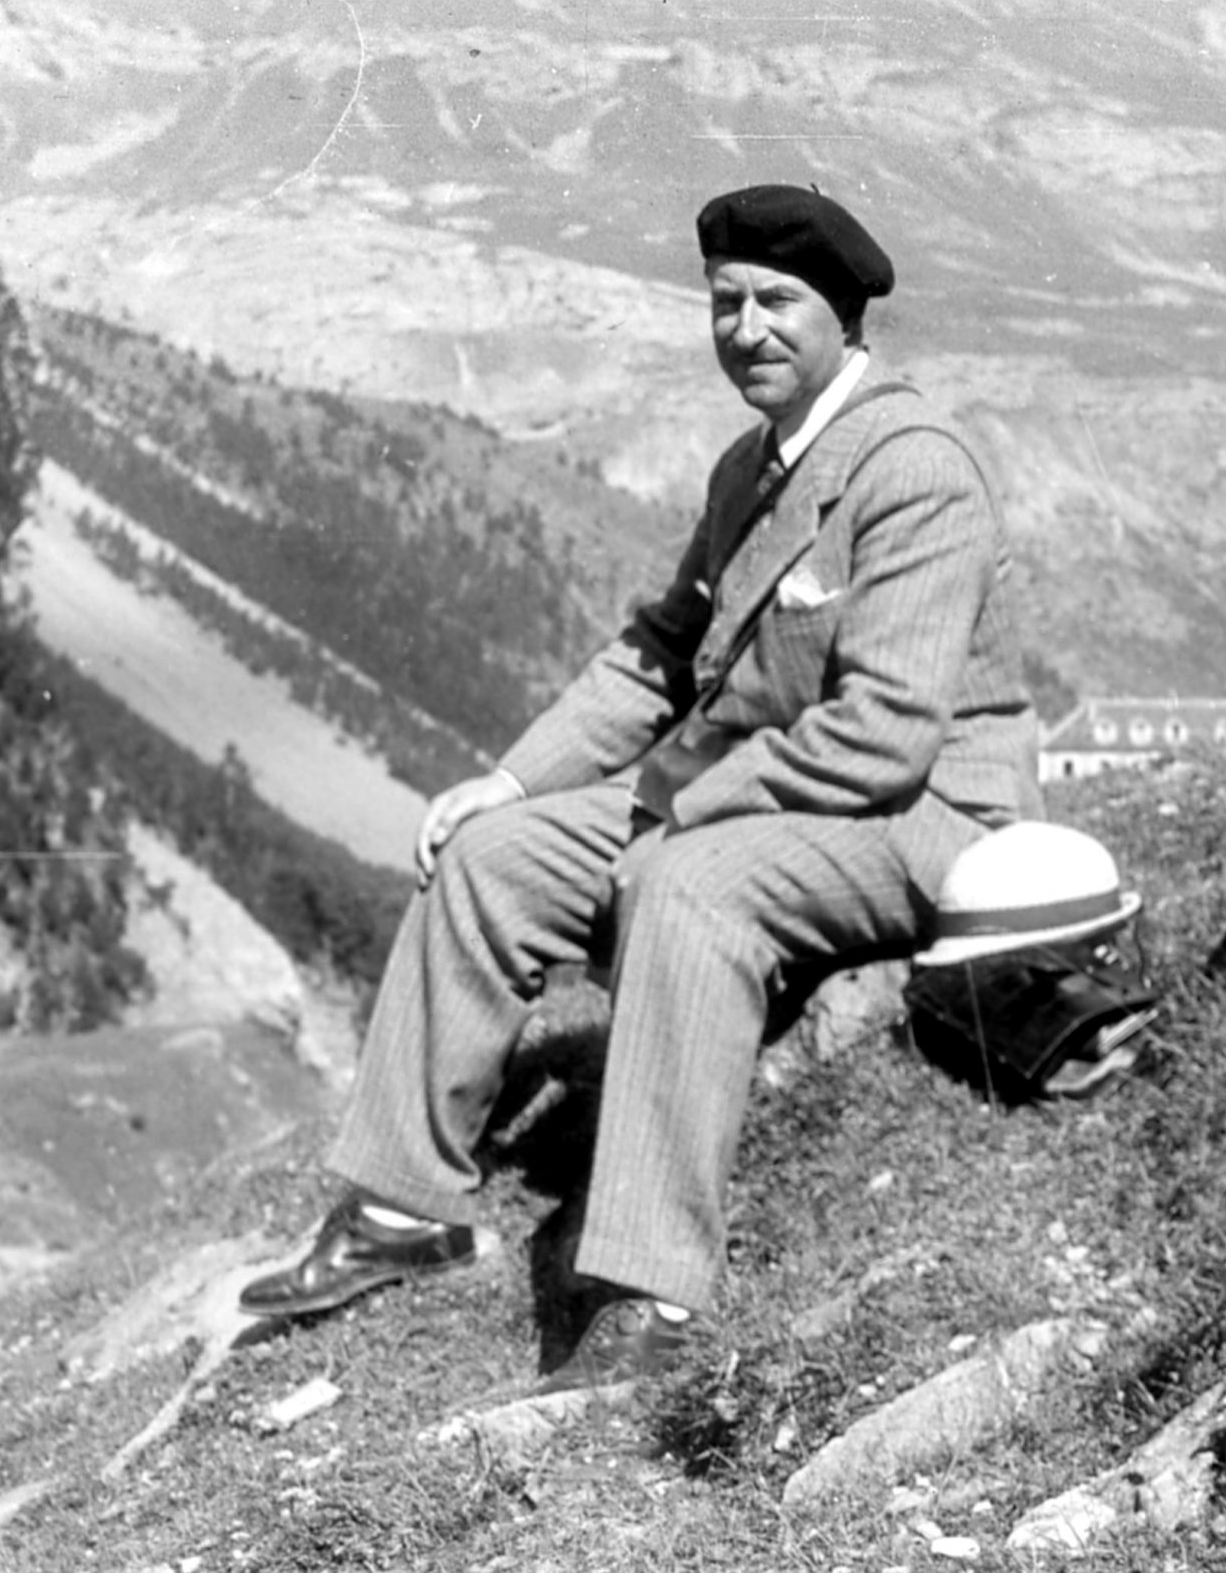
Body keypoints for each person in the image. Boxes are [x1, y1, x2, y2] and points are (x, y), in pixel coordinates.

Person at [238, 183, 1044, 1390]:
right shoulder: (749, 470)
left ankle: (649, 1300)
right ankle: (402, 1208)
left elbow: (883, 737)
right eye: (725, 303)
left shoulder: (913, 470)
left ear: (844, 319)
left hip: (925, 815)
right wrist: (510, 782)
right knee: (489, 860)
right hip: (775, 792)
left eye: (778, 302)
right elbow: (658, 658)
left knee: (686, 885)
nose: (747, 330)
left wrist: (681, 811)